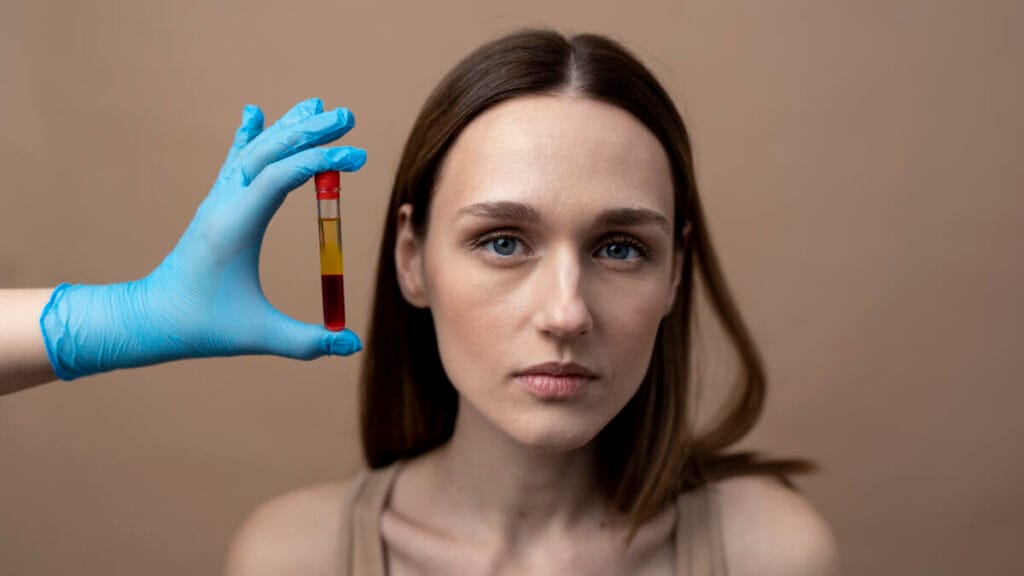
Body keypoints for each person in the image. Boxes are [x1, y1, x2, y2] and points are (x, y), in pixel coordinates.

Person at [2, 28, 840, 575]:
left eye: (621, 248)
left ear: (675, 277)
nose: (566, 312)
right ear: (412, 258)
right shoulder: (297, 558)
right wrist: (113, 320)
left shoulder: (772, 552)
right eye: (503, 241)